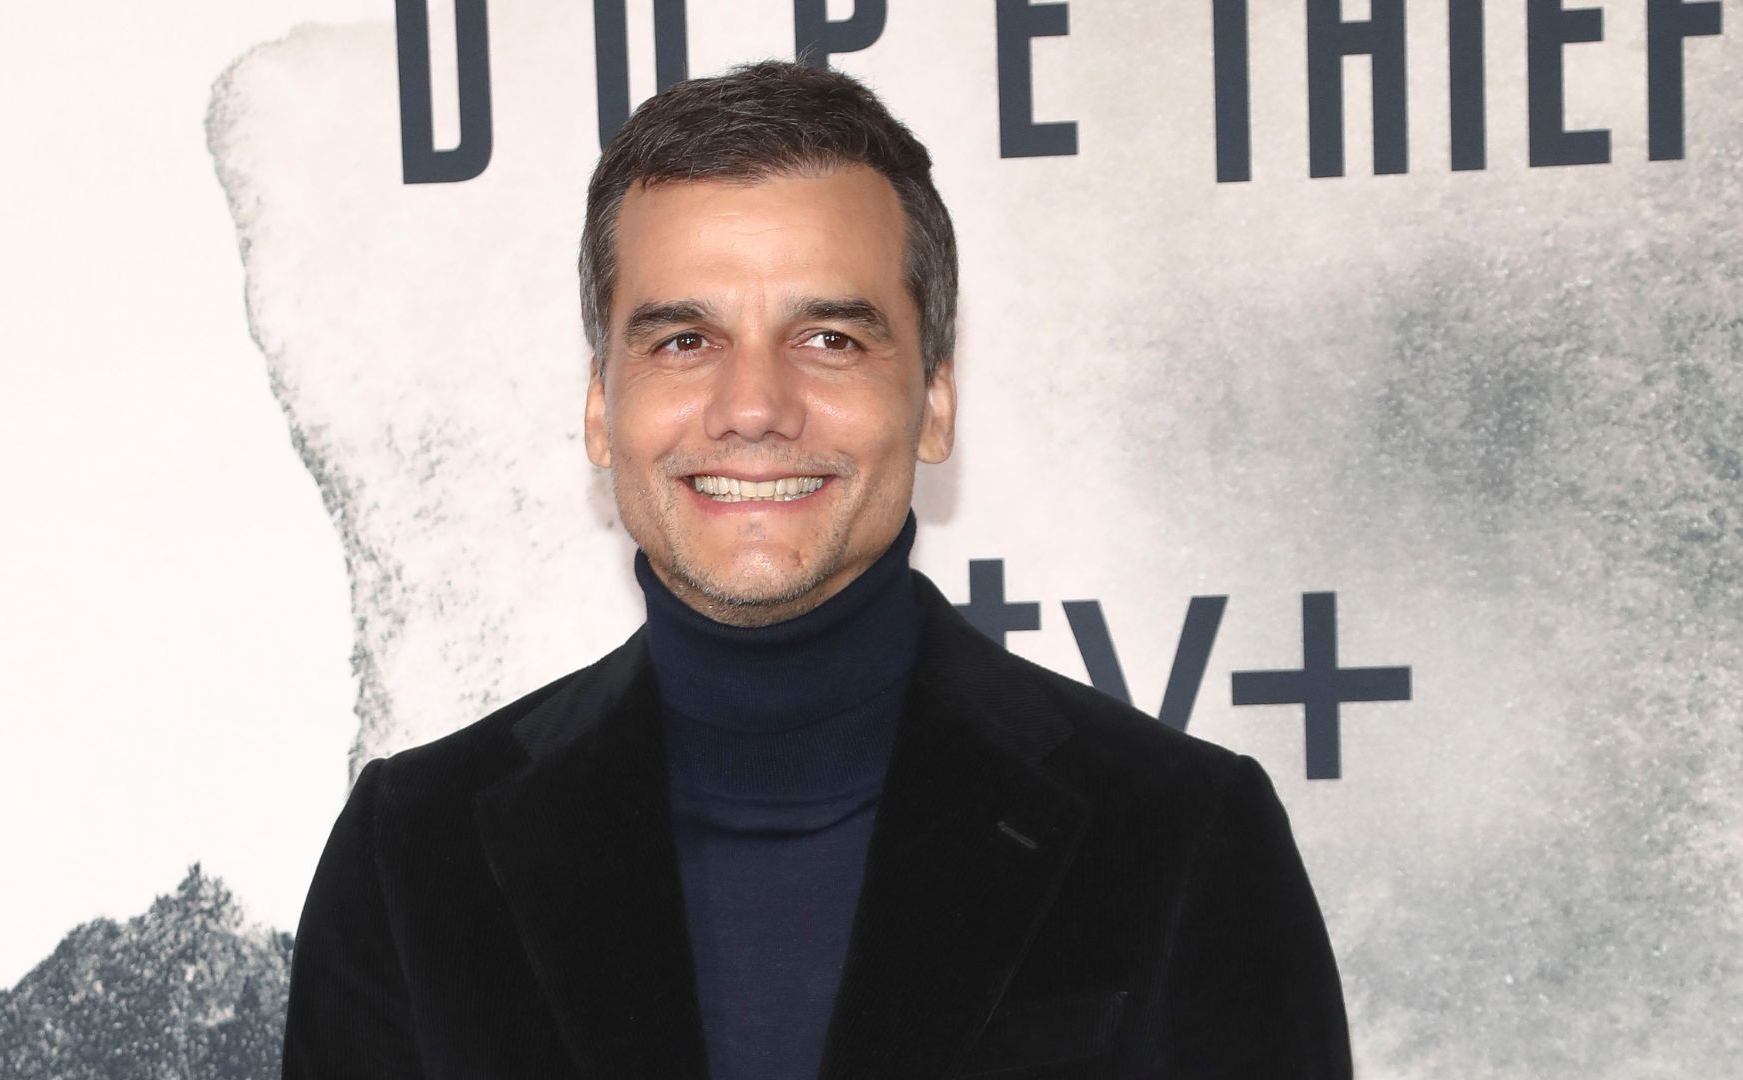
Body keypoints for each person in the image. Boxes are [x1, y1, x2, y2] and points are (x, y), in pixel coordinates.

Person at [283, 60, 1351, 1079]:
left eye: (831, 339)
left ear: (933, 399)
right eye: (683, 341)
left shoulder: (1180, 841)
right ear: (601, 406)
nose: (754, 406)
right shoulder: (414, 858)